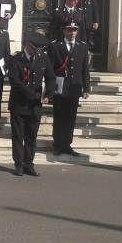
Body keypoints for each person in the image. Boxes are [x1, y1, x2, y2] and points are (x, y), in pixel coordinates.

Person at [7, 32, 55, 176]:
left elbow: (51, 78)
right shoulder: (16, 59)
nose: (37, 52)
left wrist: (48, 95)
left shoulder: (43, 58)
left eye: (40, 50)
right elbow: (15, 82)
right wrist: (32, 95)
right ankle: (18, 164)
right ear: (28, 45)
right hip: (19, 104)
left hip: (35, 106)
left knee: (31, 136)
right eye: (35, 49)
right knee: (18, 136)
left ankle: (29, 164)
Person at [48, 22, 91, 156]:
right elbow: (50, 69)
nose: (72, 33)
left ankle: (67, 144)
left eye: (74, 30)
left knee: (71, 117)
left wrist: (86, 88)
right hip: (59, 86)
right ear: (64, 31)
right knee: (59, 116)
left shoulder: (82, 47)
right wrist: (49, 89)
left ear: (77, 32)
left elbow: (85, 69)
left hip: (75, 87)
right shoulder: (55, 46)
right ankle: (57, 144)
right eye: (69, 30)